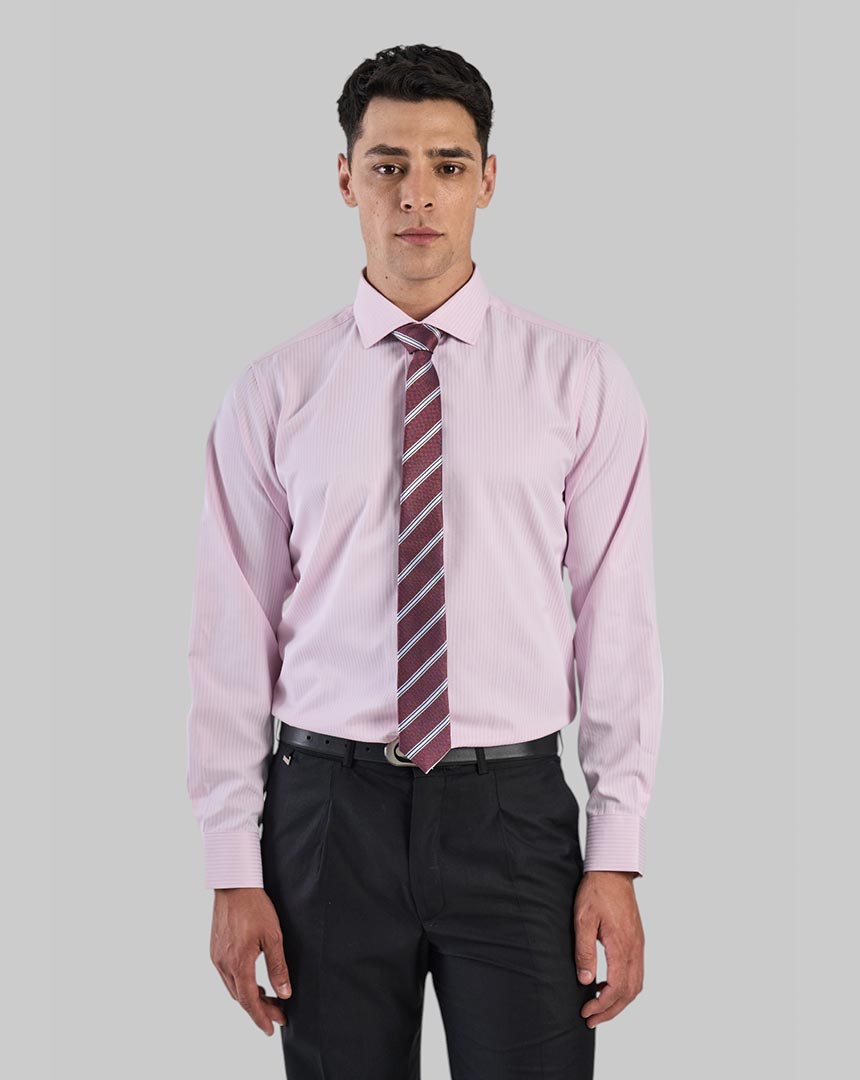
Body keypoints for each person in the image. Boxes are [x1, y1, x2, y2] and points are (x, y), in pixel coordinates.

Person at [186, 42, 663, 1080]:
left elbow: (615, 620)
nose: (417, 195)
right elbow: (232, 636)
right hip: (325, 815)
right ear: (344, 178)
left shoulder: (577, 380)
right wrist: (231, 865)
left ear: (487, 179)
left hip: (513, 813)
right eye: (388, 164)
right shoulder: (274, 392)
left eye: (447, 165)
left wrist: (616, 852)